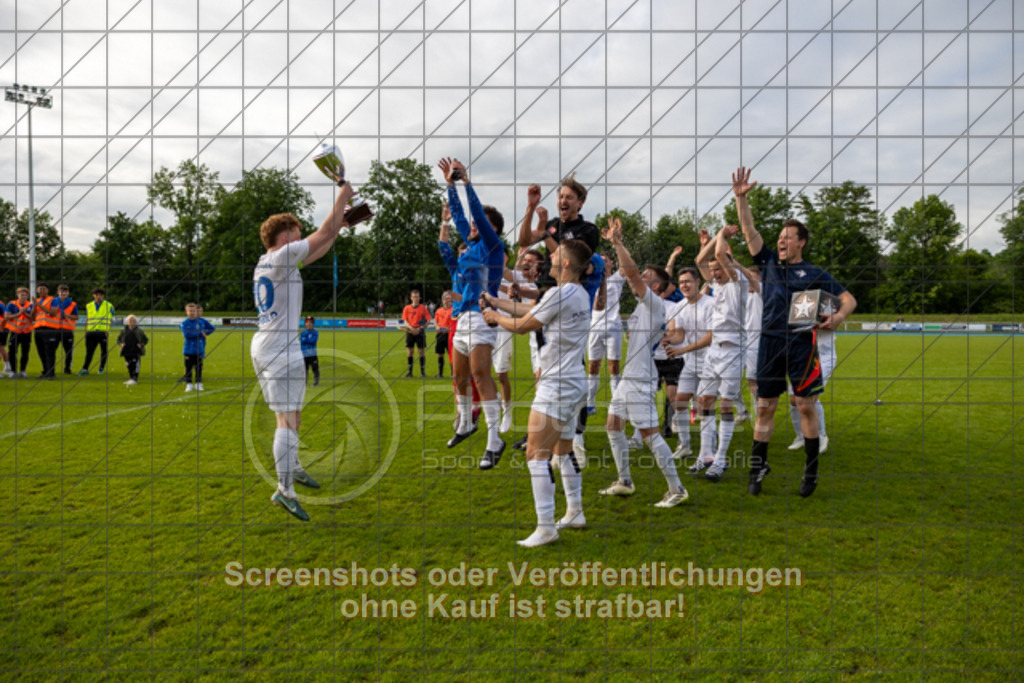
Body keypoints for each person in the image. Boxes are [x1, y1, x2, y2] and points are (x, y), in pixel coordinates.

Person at [733, 166, 857, 497]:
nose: (781, 242)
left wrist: (838, 317)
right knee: (764, 408)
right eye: (780, 238)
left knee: (805, 405)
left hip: (801, 345)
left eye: (788, 238)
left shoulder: (814, 272)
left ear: (801, 242)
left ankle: (811, 472)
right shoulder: (769, 262)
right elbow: (748, 230)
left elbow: (849, 299)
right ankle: (758, 471)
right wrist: (741, 199)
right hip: (770, 345)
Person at [252, 180, 356, 521]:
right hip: (280, 350)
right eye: (296, 234)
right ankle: (284, 490)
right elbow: (322, 232)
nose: (300, 239)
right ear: (285, 237)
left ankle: (293, 467)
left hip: (270, 346)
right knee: (286, 420)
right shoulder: (282, 257)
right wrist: (343, 194)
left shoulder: (271, 261)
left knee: (292, 415)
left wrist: (339, 227)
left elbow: (320, 245)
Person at [482, 239, 593, 547]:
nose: (550, 259)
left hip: (557, 385)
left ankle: (546, 527)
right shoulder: (577, 293)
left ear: (566, 264)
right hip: (572, 382)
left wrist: (494, 317)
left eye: (555, 255)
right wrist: (495, 300)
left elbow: (523, 325)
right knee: (563, 450)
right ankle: (575, 512)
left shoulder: (561, 292)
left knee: (535, 455)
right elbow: (530, 310)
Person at [598, 217, 689, 508]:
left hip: (640, 381)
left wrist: (617, 242)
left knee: (649, 435)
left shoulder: (655, 303)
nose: (641, 277)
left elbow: (631, 273)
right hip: (630, 378)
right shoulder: (642, 306)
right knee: (613, 426)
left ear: (658, 286)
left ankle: (677, 489)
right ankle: (625, 481)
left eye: (648, 276)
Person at [438, 157, 507, 470]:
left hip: (482, 315)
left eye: (481, 224)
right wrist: (449, 185)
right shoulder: (470, 242)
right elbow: (462, 218)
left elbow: (474, 212)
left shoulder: (493, 248)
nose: (474, 226)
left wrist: (466, 183)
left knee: (481, 374)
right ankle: (465, 423)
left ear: (494, 229)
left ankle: (495, 438)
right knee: (459, 377)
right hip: (463, 317)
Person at [690, 226, 748, 482]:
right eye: (712, 270)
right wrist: (716, 237)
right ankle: (706, 454)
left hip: (733, 350)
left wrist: (722, 236)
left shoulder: (738, 282)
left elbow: (720, 256)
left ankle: (721, 458)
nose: (713, 273)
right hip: (714, 351)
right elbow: (699, 260)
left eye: (718, 268)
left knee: (725, 406)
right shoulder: (717, 284)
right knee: (704, 402)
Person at [663, 268, 714, 458]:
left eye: (688, 281)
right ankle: (684, 445)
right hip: (691, 362)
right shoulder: (679, 306)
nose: (685, 285)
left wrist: (682, 349)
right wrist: (667, 339)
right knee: (681, 401)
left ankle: (709, 448)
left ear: (698, 282)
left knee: (704, 404)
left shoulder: (710, 304)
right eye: (682, 281)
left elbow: (710, 337)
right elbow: (679, 335)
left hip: (711, 360)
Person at [585, 254, 625, 413]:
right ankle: (589, 403)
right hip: (594, 327)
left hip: (613, 328)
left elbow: (625, 266)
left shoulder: (616, 279)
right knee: (593, 366)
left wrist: (617, 241)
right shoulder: (591, 282)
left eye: (605, 259)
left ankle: (616, 404)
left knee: (613, 366)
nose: (602, 262)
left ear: (611, 263)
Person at [78, 288, 114, 375]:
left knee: (104, 351)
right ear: (93, 295)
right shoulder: (89, 305)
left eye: (100, 295)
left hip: (102, 332)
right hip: (91, 332)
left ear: (103, 296)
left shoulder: (109, 305)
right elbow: (87, 319)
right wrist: (86, 330)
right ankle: (85, 369)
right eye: (96, 294)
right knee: (89, 352)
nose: (98, 296)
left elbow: (111, 318)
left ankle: (101, 368)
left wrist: (107, 330)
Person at [180, 302, 215, 391]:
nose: (192, 313)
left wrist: (205, 333)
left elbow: (212, 328)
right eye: (190, 311)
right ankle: (189, 384)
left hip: (199, 348)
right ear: (186, 312)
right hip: (188, 349)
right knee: (188, 367)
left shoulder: (201, 322)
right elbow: (187, 335)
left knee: (199, 367)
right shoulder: (184, 323)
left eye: (193, 311)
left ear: (196, 312)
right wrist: (200, 333)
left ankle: (198, 383)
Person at [32, 283, 62, 379]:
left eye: (44, 289)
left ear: (47, 290)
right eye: (40, 289)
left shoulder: (53, 300)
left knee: (50, 351)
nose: (41, 291)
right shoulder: (37, 301)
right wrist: (34, 306)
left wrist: (39, 305)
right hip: (38, 328)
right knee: (41, 351)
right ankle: (45, 371)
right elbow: (33, 316)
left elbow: (53, 313)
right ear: (37, 291)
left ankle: (51, 373)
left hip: (50, 328)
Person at [400, 289, 430, 378]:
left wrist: (421, 328)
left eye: (417, 297)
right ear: (411, 298)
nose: (415, 298)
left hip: (420, 332)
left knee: (421, 352)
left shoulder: (423, 308)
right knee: (410, 352)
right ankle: (410, 372)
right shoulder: (407, 308)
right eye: (414, 297)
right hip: (410, 332)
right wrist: (411, 328)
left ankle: (422, 373)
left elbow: (428, 321)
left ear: (419, 298)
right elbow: (405, 321)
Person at [5, 288, 34, 378]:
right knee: (12, 352)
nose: (23, 296)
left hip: (26, 332)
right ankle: (13, 371)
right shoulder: (12, 304)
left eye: (25, 295)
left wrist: (25, 312)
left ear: (27, 296)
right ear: (17, 295)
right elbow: (7, 316)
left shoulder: (30, 305)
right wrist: (18, 314)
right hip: (15, 331)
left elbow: (33, 318)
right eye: (21, 294)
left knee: (25, 352)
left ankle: (22, 370)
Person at [54, 284, 79, 375]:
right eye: (61, 291)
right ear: (58, 292)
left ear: (68, 293)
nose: (63, 293)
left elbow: (76, 317)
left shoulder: (72, 304)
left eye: (65, 292)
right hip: (55, 329)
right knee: (52, 350)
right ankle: (50, 368)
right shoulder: (53, 302)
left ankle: (67, 368)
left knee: (68, 351)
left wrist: (67, 315)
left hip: (67, 330)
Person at [117, 314, 148, 385]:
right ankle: (131, 378)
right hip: (126, 351)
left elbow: (145, 340)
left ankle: (134, 378)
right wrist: (121, 344)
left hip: (136, 351)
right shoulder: (123, 331)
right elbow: (118, 340)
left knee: (135, 364)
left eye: (133, 321)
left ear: (136, 322)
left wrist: (141, 344)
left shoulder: (139, 331)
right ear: (127, 322)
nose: (132, 322)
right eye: (130, 321)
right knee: (129, 365)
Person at [433, 292, 453, 378]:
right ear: (442, 300)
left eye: (448, 299)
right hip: (440, 334)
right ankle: (440, 373)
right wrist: (437, 327)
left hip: (450, 335)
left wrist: (449, 329)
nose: (447, 301)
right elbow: (435, 321)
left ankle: (453, 374)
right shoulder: (438, 310)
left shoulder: (453, 310)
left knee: (451, 354)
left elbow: (456, 322)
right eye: (445, 299)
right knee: (440, 353)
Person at [300, 316, 320, 386]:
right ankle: (304, 382)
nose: (309, 324)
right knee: (305, 369)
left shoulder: (315, 332)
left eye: (310, 323)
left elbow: (313, 341)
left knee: (315, 367)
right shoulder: (303, 332)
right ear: (305, 324)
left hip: (312, 353)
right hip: (304, 353)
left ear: (313, 324)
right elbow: (301, 341)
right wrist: (307, 340)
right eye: (307, 323)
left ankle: (316, 381)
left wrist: (306, 340)